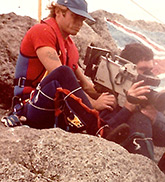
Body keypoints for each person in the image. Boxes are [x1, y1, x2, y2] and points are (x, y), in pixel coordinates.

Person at [2, 0, 129, 143]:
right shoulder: (42, 31)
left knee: (111, 101)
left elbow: (86, 86)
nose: (79, 23)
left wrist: (123, 98)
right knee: (63, 72)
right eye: (75, 17)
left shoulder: (70, 46)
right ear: (58, 12)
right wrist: (93, 104)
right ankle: (99, 129)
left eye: (82, 19)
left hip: (56, 110)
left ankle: (118, 135)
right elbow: (59, 76)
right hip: (30, 106)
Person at [98, 43, 165, 159]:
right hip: (108, 157)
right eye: (143, 70)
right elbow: (101, 132)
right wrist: (127, 110)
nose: (149, 75)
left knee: (141, 118)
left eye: (150, 70)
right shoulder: (110, 91)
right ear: (127, 69)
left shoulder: (147, 96)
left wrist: (155, 120)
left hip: (137, 164)